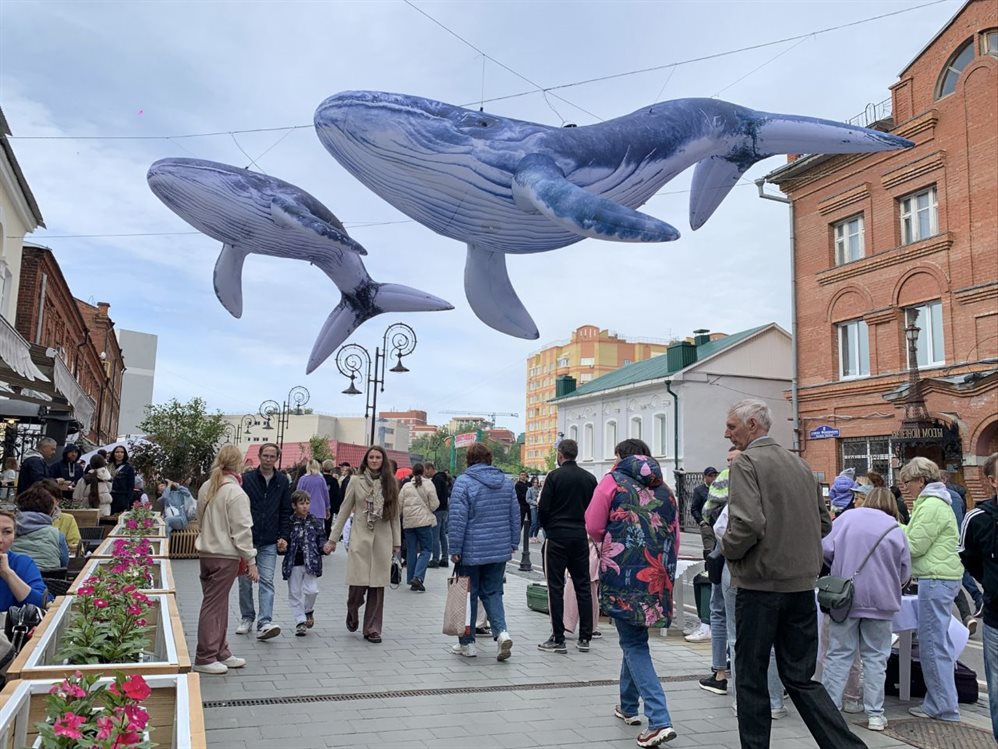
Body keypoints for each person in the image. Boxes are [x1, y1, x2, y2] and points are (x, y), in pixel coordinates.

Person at [719, 398, 864, 749]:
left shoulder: (747, 463)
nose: (727, 434)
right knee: (800, 677)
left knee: (752, 678)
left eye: (732, 427)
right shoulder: (800, 464)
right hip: (800, 587)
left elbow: (748, 523)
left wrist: (727, 549)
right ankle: (845, 745)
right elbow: (825, 522)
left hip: (759, 586)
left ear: (753, 425)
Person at [586, 438, 680, 747]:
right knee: (634, 637)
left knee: (635, 644)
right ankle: (628, 706)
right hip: (657, 574)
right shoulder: (666, 491)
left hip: (623, 571)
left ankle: (659, 719)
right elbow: (675, 537)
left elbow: (593, 525)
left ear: (620, 458)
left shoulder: (612, 482)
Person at [821, 487, 911, 732]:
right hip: (881, 601)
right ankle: (875, 715)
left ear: (866, 500)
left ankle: (830, 709)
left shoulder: (847, 518)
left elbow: (825, 550)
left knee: (838, 655)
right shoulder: (895, 528)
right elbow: (905, 571)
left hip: (845, 600)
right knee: (875, 659)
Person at [899, 456, 962, 722]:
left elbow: (914, 546)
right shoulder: (936, 502)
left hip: (935, 579)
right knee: (939, 643)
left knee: (932, 645)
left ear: (921, 480)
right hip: (941, 578)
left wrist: (891, 527)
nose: (905, 487)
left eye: (907, 482)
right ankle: (944, 701)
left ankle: (940, 706)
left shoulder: (931, 505)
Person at [447, 442, 518, 660]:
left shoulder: (464, 482)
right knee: (494, 592)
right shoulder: (506, 483)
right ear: (489, 458)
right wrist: (513, 543)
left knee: (468, 594)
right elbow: (515, 516)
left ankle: (467, 644)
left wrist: (455, 548)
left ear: (468, 459)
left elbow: (458, 519)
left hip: (471, 549)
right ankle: (502, 633)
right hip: (498, 549)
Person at [194, 444, 258, 675]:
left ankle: (221, 651)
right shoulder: (236, 492)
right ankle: (206, 655)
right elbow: (242, 530)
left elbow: (199, 518)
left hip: (206, 552)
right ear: (239, 463)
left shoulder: (206, 487)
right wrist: (251, 560)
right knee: (214, 605)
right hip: (225, 555)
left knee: (217, 603)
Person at [328, 446, 401, 644]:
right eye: (371, 457)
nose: (375, 460)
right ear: (366, 460)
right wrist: (332, 539)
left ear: (383, 460)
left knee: (377, 586)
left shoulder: (391, 483)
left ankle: (372, 628)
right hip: (360, 538)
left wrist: (397, 543)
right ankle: (352, 609)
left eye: (378, 457)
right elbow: (343, 511)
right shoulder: (355, 481)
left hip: (382, 540)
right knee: (358, 584)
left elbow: (394, 516)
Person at [537, 438, 597, 653]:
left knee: (555, 586)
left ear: (560, 455)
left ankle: (558, 637)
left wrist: (548, 528)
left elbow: (543, 508)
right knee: (583, 586)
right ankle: (585, 637)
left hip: (557, 536)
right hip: (580, 536)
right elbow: (595, 510)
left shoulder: (553, 476)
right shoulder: (590, 479)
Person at [958, 452, 998, 741]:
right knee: (996, 690)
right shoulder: (979, 518)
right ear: (992, 481)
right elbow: (967, 556)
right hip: (997, 619)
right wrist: (990, 585)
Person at [238, 442, 292, 641]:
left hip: (270, 539)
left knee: (266, 580)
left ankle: (265, 622)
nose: (269, 459)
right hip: (248, 539)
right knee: (244, 581)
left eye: (272, 456)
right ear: (260, 456)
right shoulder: (247, 479)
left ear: (277, 458)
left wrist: (283, 536)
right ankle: (246, 617)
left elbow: (286, 511)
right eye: (266, 456)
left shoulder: (282, 481)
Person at [279, 490, 333, 636]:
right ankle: (300, 621)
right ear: (294, 505)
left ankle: (308, 610)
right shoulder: (290, 522)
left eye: (307, 503)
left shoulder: (314, 521)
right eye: (301, 503)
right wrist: (282, 544)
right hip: (293, 562)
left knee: (312, 590)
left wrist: (324, 547)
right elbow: (284, 538)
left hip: (311, 562)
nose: (305, 507)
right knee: (295, 593)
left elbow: (321, 537)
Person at [12, 485, 69, 573]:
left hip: (13, 581)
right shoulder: (56, 534)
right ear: (50, 510)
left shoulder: (9, 531)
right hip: (52, 584)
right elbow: (64, 563)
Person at [400, 463, 438, 591]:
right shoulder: (428, 484)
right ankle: (418, 576)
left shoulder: (406, 486)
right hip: (423, 522)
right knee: (426, 549)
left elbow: (399, 505)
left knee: (411, 550)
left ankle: (411, 578)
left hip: (409, 523)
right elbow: (435, 504)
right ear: (423, 472)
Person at [0, 509, 47, 611]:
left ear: (14, 535)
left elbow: (42, 603)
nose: (0, 539)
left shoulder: (22, 563)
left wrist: (7, 573)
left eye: (7, 532)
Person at [426, 462, 450, 568]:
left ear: (430, 469)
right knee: (442, 535)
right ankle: (445, 558)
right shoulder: (443, 478)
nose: (426, 473)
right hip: (445, 510)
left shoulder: (436, 479)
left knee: (435, 535)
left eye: (426, 470)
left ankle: (435, 559)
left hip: (438, 510)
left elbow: (435, 495)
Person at [296, 460, 331, 526]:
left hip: (305, 510)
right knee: (318, 533)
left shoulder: (303, 479)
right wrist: (327, 508)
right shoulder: (321, 479)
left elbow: (298, 495)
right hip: (319, 511)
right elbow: (326, 495)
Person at [108, 445, 136, 515]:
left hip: (122, 498)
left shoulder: (128, 468)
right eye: (117, 452)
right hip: (108, 496)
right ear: (113, 454)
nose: (119, 454)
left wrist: (128, 501)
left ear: (124, 454)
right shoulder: (108, 467)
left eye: (122, 452)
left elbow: (131, 486)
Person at [321, 459, 339, 537]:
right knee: (328, 525)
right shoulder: (334, 481)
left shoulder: (320, 479)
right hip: (330, 505)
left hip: (320, 505)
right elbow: (337, 495)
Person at [526, 477, 541, 541]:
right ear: (532, 482)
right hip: (533, 507)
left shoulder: (540, 489)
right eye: (534, 482)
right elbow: (528, 499)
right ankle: (530, 536)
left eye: (537, 482)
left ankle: (535, 536)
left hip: (540, 508)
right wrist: (535, 503)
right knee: (534, 522)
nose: (536, 483)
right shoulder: (530, 489)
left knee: (538, 523)